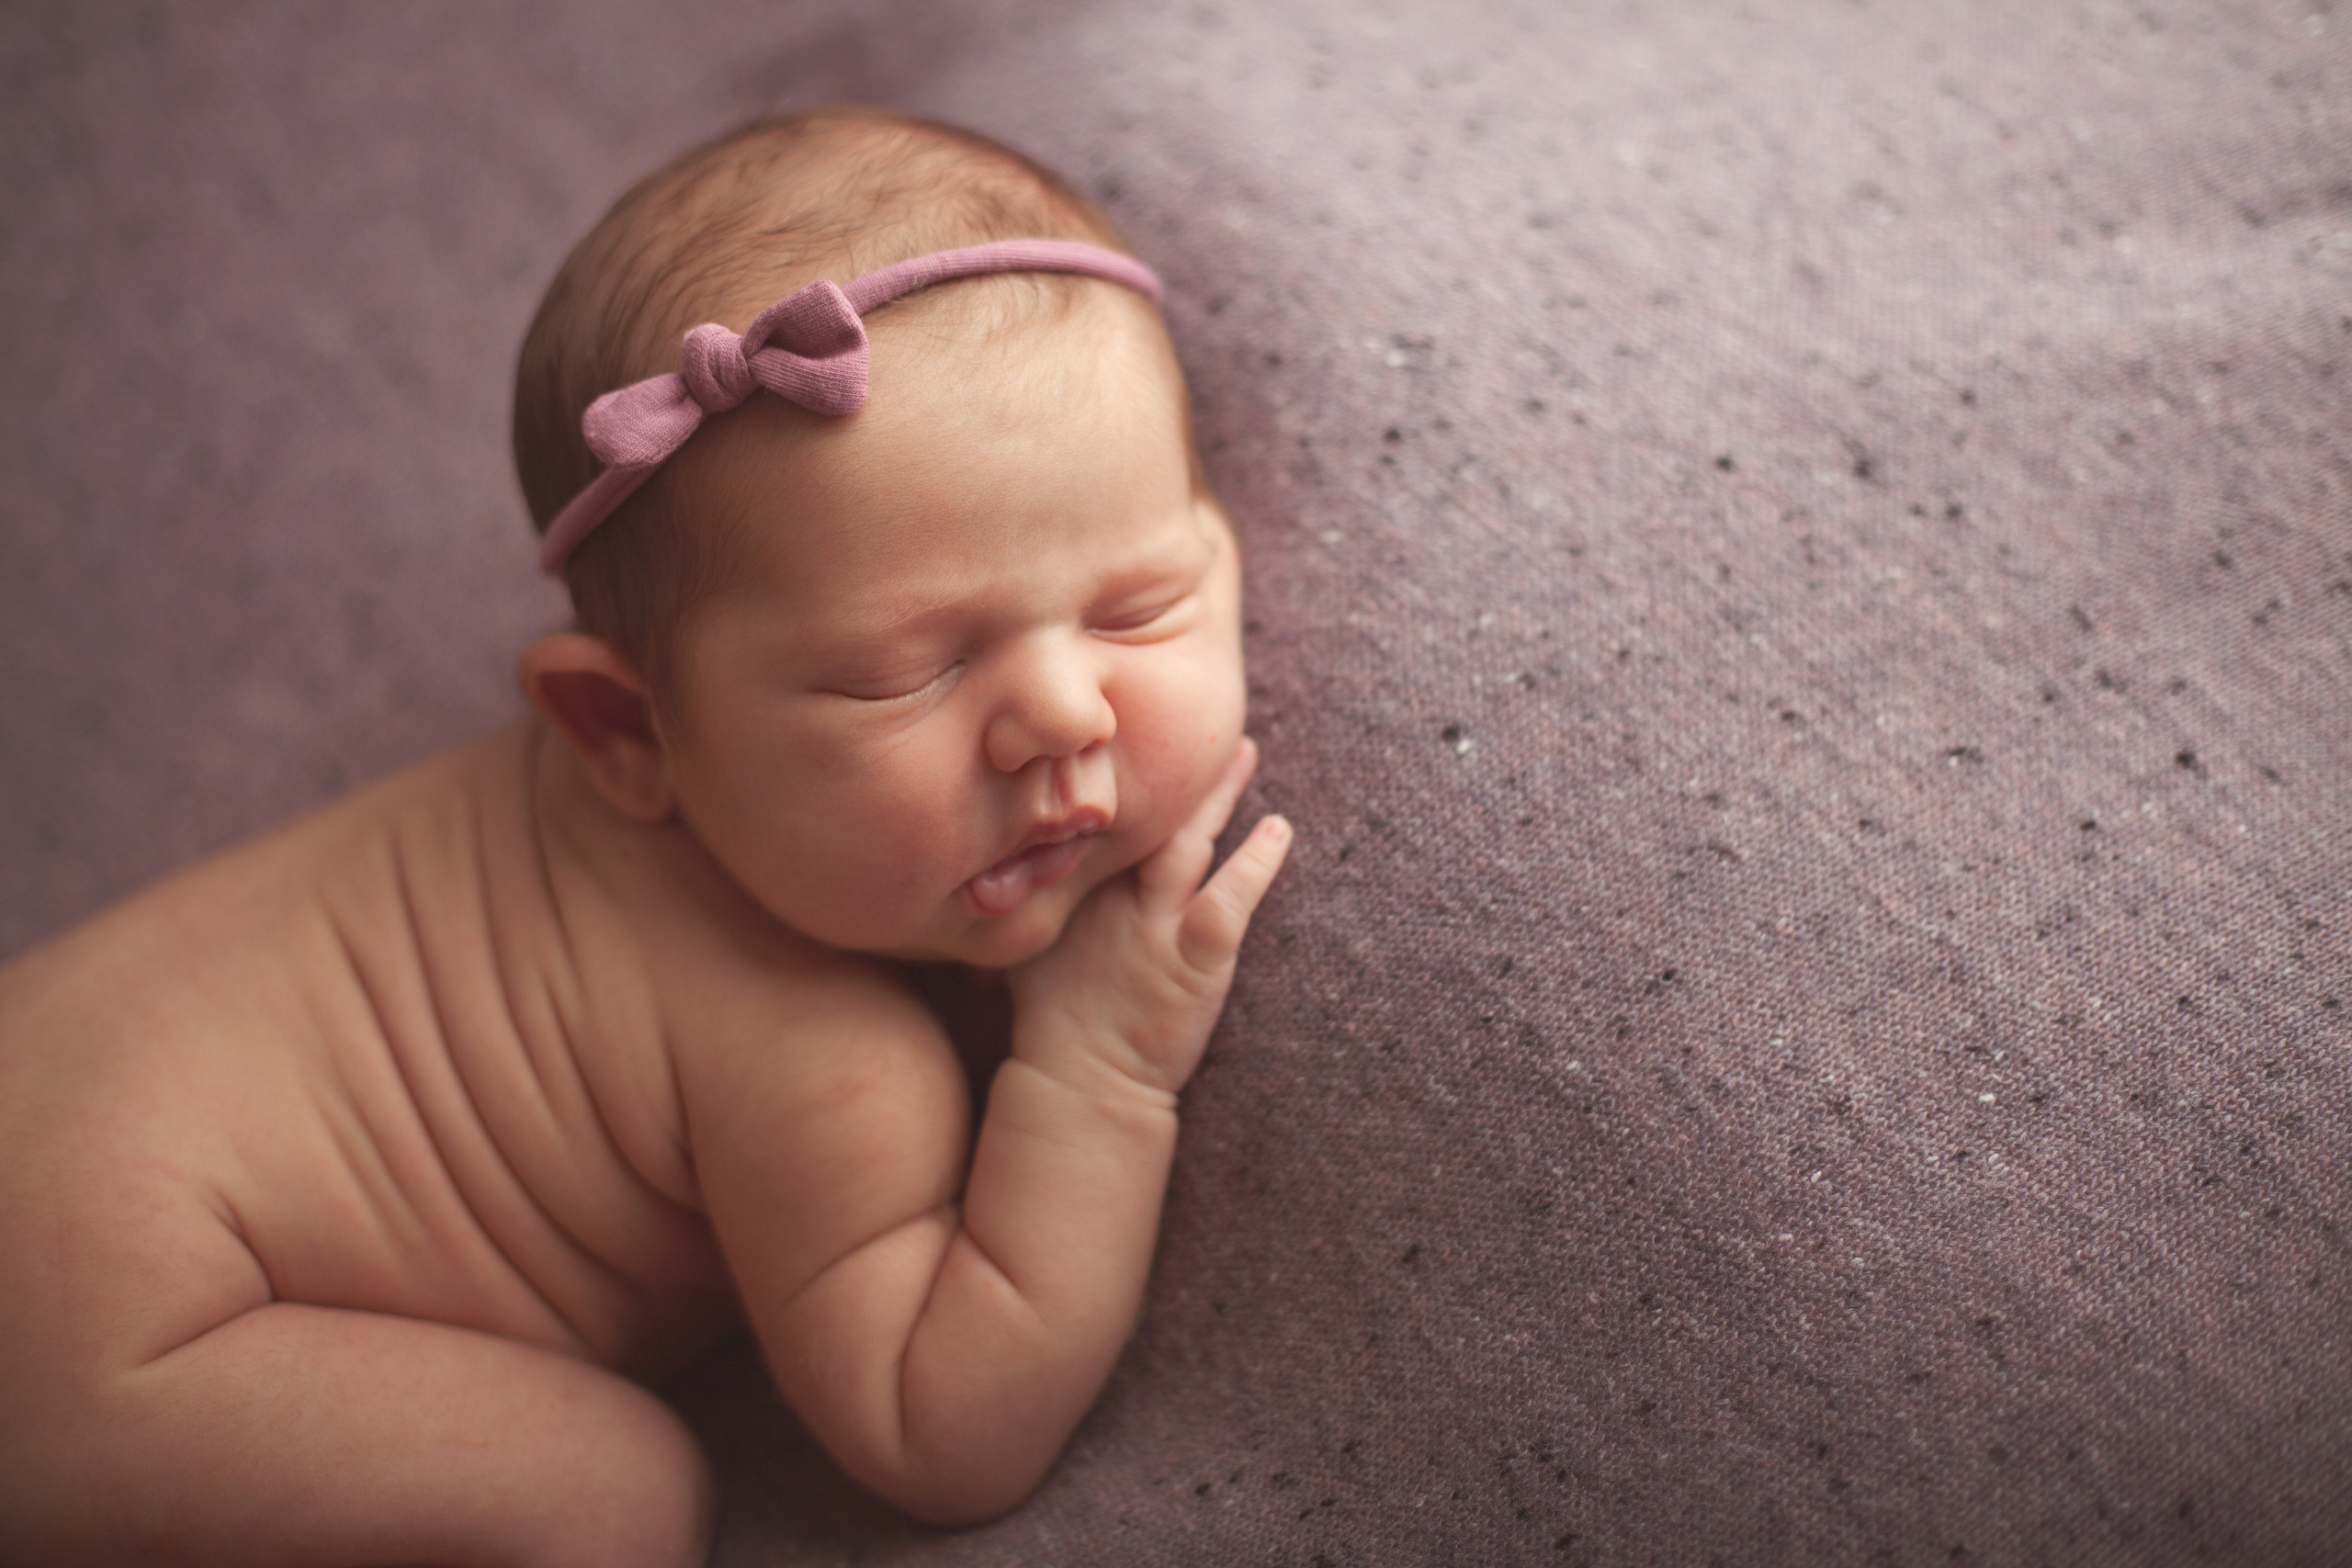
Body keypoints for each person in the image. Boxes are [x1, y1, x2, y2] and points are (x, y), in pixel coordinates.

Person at [0, 105, 1291, 1565]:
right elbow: (944, 1434)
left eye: (1140, 607)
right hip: (118, 1329)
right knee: (606, 1497)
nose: (1063, 716)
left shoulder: (698, 790)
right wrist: (1098, 1069)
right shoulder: (815, 1052)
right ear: (625, 734)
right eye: (905, 674)